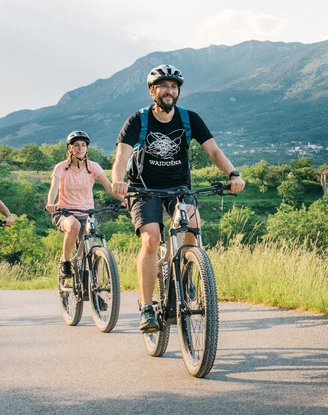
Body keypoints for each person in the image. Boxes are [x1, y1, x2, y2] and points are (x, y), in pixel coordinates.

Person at [111, 64, 245, 332]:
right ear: (152, 91)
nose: (169, 91)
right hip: (143, 188)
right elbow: (122, 156)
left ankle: (185, 272)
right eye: (163, 86)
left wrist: (233, 173)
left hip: (179, 186)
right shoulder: (138, 120)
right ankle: (147, 306)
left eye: (174, 87)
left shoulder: (189, 119)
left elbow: (214, 151)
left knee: (192, 226)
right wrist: (118, 180)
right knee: (151, 240)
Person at [45, 130, 121, 278]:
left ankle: (96, 289)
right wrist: (50, 203)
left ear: (87, 148)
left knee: (93, 251)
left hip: (87, 213)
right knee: (74, 226)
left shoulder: (93, 167)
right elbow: (54, 187)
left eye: (83, 145)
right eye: (76, 145)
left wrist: (125, 200)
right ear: (70, 148)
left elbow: (108, 187)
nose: (80, 148)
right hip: (64, 212)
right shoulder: (61, 167)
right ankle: (65, 262)